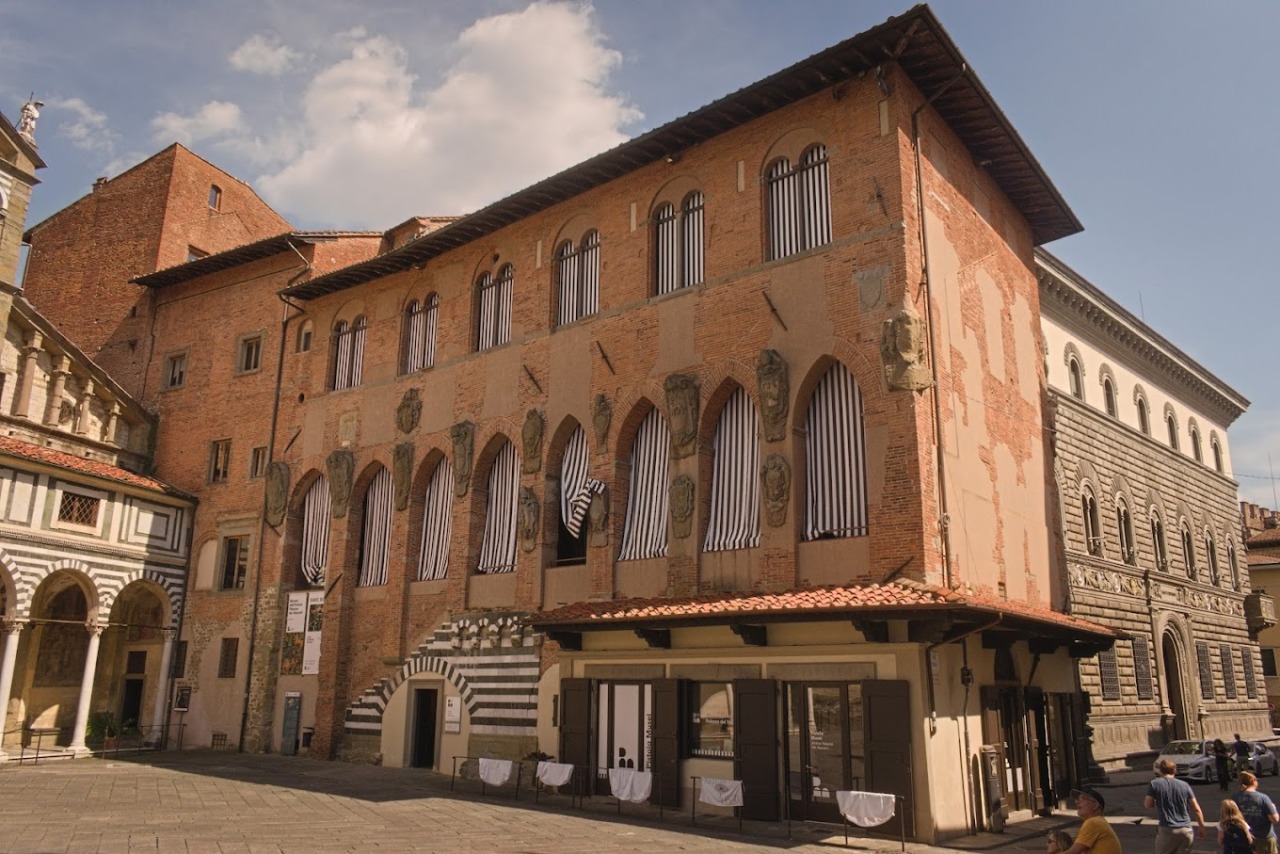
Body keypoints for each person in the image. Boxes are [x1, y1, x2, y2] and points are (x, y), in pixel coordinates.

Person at [1147, 758, 1207, 854]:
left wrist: (1159, 800)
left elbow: (1148, 804)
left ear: (1161, 770)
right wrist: (1201, 826)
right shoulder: (1185, 785)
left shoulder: (1155, 784)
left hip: (1167, 829)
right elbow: (1196, 808)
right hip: (1186, 830)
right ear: (1174, 770)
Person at [1062, 786, 1121, 854]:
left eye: (1083, 799)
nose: (1077, 802)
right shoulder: (1099, 822)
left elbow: (1072, 853)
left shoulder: (1093, 822)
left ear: (1095, 805)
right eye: (1077, 799)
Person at [1232, 770, 1280, 854]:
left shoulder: (1235, 798)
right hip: (1263, 838)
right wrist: (1273, 808)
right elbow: (1274, 819)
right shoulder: (1263, 798)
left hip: (1243, 837)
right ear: (1253, 781)